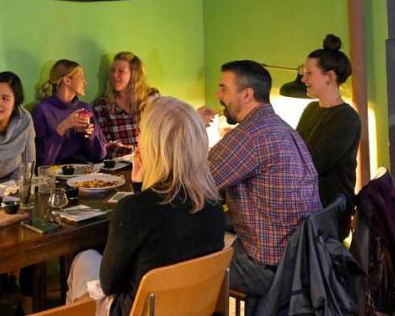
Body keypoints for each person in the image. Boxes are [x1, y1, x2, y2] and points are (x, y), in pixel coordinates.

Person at [66, 96, 225, 316]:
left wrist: (138, 194)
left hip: (141, 311)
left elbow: (110, 284)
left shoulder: (133, 210)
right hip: (193, 308)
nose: (136, 138)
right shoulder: (213, 202)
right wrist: (141, 187)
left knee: (83, 260)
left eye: (141, 132)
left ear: (153, 144)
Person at [208, 60, 321, 301]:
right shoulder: (281, 127)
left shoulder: (249, 136)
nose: (218, 94)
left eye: (223, 88)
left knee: (178, 259)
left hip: (268, 268)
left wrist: (190, 127)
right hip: (302, 258)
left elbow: (190, 184)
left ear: (247, 94)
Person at [297, 34, 361, 240]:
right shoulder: (310, 109)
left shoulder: (347, 118)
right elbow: (295, 150)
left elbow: (313, 163)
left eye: (309, 73)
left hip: (328, 209)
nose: (303, 79)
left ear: (329, 77)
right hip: (307, 200)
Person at [32, 59, 106, 166]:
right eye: (81, 77)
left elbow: (100, 156)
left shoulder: (85, 109)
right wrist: (64, 125)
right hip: (56, 178)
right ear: (67, 79)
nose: (85, 82)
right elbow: (43, 162)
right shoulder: (42, 110)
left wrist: (88, 136)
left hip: (85, 175)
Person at [93, 51, 158, 157]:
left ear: (134, 74)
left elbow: (162, 136)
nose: (114, 75)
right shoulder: (102, 106)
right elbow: (103, 145)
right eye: (113, 70)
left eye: (121, 71)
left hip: (152, 164)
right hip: (121, 168)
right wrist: (135, 152)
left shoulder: (152, 99)